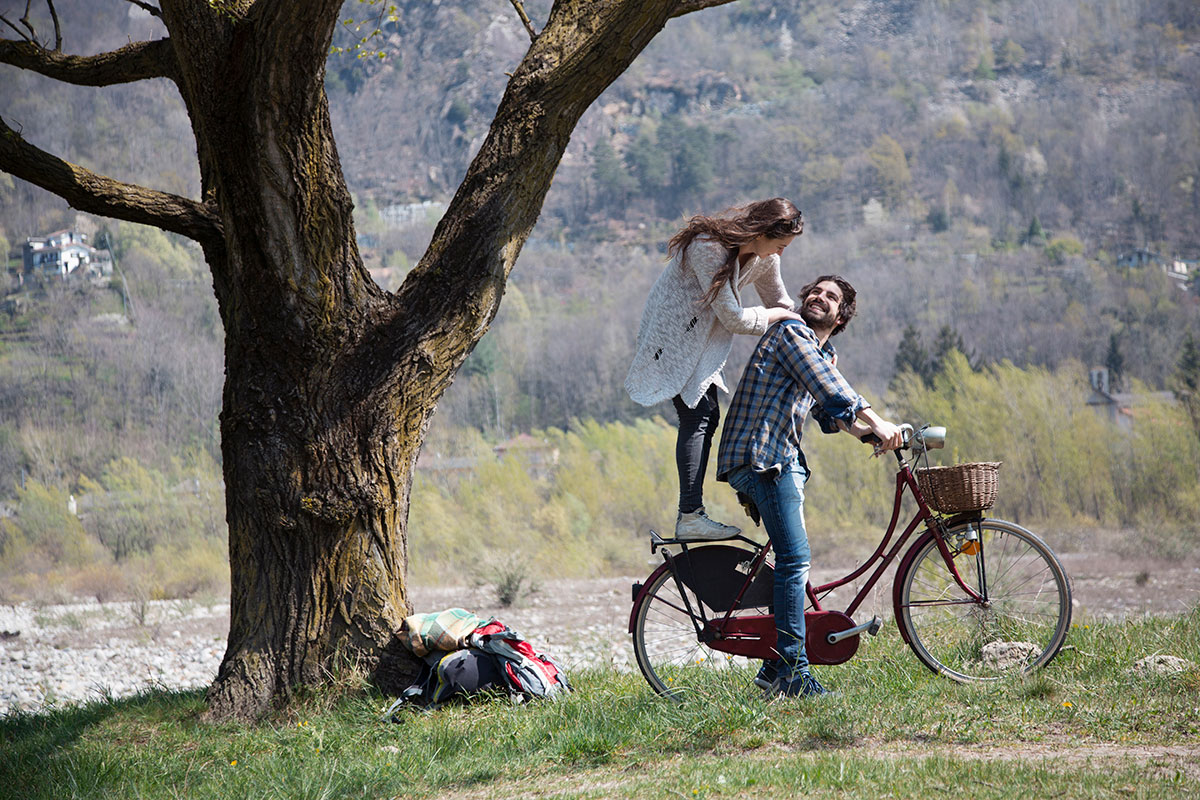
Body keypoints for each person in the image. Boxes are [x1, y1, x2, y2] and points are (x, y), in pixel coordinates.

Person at [716, 274, 904, 698]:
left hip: (783, 461)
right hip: (762, 458)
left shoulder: (824, 351)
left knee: (792, 565)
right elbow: (830, 387)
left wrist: (871, 436)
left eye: (831, 297)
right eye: (816, 291)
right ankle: (793, 674)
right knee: (795, 560)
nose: (819, 297)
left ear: (841, 316)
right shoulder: (791, 333)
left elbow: (830, 413)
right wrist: (880, 421)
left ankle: (771, 669)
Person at [625, 198, 806, 541]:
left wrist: (812, 338)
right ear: (763, 231)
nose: (780, 254)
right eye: (780, 245)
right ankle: (690, 515)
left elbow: (781, 304)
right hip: (672, 340)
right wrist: (782, 315)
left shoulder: (766, 258)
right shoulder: (708, 247)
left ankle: (694, 512)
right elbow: (735, 318)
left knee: (707, 416)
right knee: (698, 417)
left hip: (705, 344)